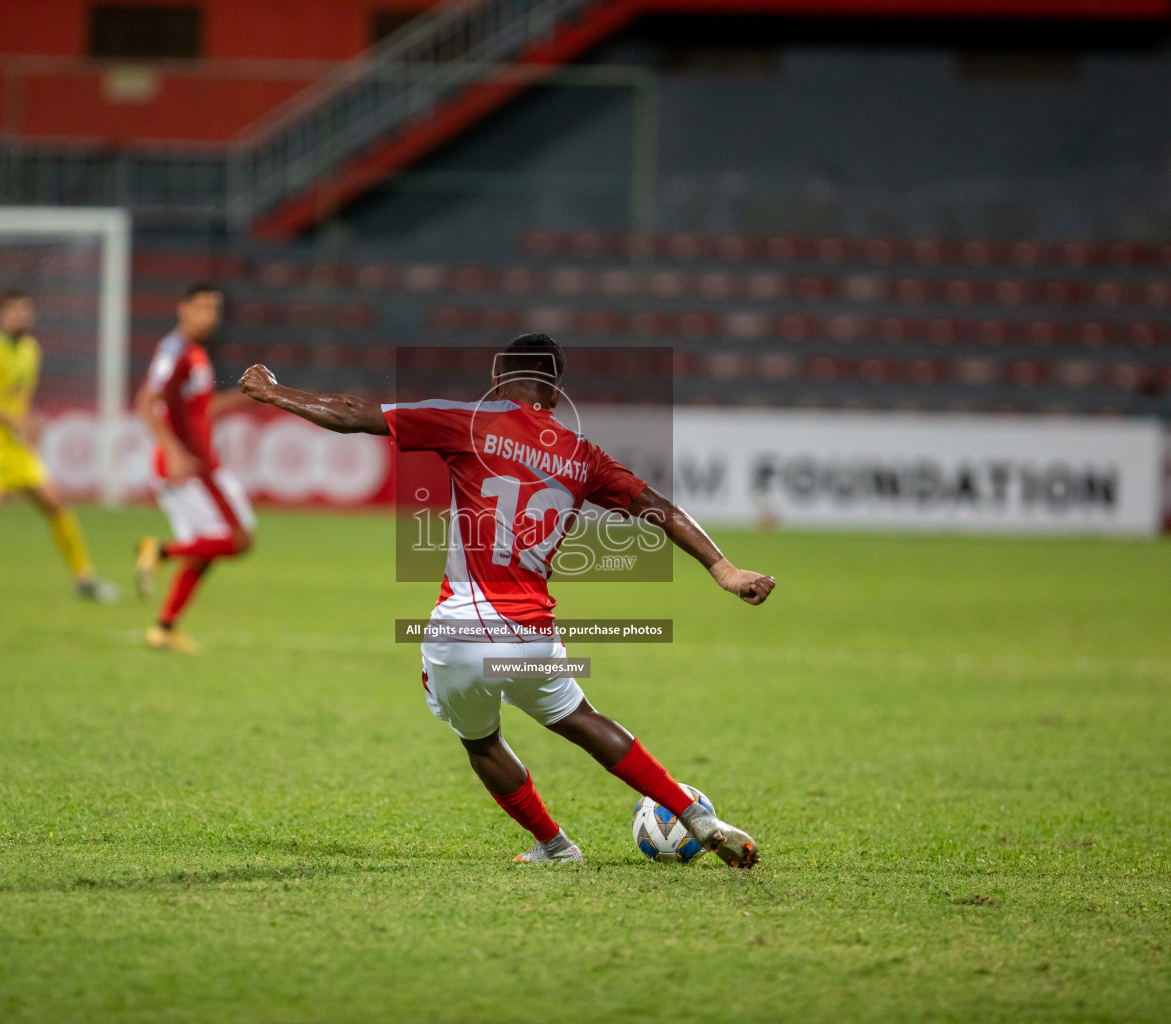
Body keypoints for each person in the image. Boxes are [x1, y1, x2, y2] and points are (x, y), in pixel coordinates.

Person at [237, 333, 775, 868]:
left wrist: (274, 393)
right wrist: (723, 568)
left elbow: (354, 412)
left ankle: (556, 846)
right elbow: (659, 507)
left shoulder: (472, 421)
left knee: (481, 741)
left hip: (462, 628)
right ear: (556, 391)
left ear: (497, 381)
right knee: (581, 719)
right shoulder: (584, 454)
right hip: (532, 634)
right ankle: (692, 814)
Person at [0, 289, 117, 605]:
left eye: (25, 310)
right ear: (0, 314)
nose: (20, 316)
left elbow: (16, 398)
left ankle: (85, 579)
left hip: (11, 442)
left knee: (54, 502)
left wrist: (28, 427)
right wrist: (19, 421)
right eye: (13, 310)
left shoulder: (31, 350)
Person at [134, 282, 256, 654]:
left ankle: (164, 627)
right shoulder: (175, 350)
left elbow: (199, 410)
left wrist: (245, 397)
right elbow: (145, 400)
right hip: (189, 467)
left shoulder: (196, 354)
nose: (209, 316)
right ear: (182, 308)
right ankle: (159, 551)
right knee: (239, 539)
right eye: (202, 307)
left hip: (199, 463)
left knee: (206, 551)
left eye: (214, 309)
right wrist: (172, 451)